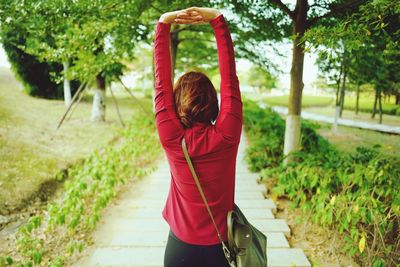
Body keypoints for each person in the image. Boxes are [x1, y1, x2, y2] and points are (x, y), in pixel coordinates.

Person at [154, 6, 242, 267]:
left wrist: (163, 24)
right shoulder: (227, 135)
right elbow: (230, 79)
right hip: (221, 249)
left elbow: (161, 82)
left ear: (175, 101)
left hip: (180, 248)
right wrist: (217, 21)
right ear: (214, 103)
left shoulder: (171, 138)